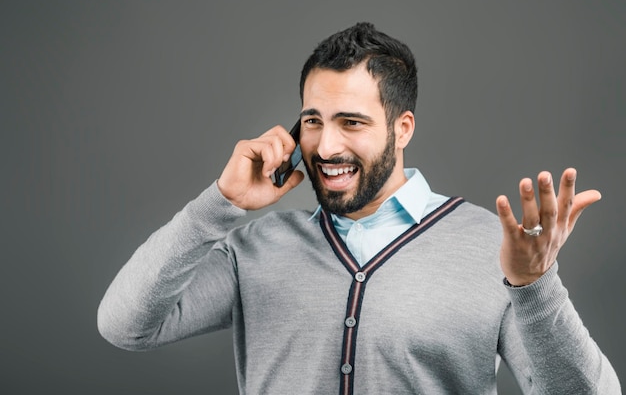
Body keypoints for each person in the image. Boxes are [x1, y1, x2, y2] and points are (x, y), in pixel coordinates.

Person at [98, 22, 620, 394]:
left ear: (403, 128)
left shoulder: (494, 249)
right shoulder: (256, 248)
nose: (325, 147)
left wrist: (534, 287)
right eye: (312, 121)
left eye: (351, 122)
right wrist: (219, 205)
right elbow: (125, 326)